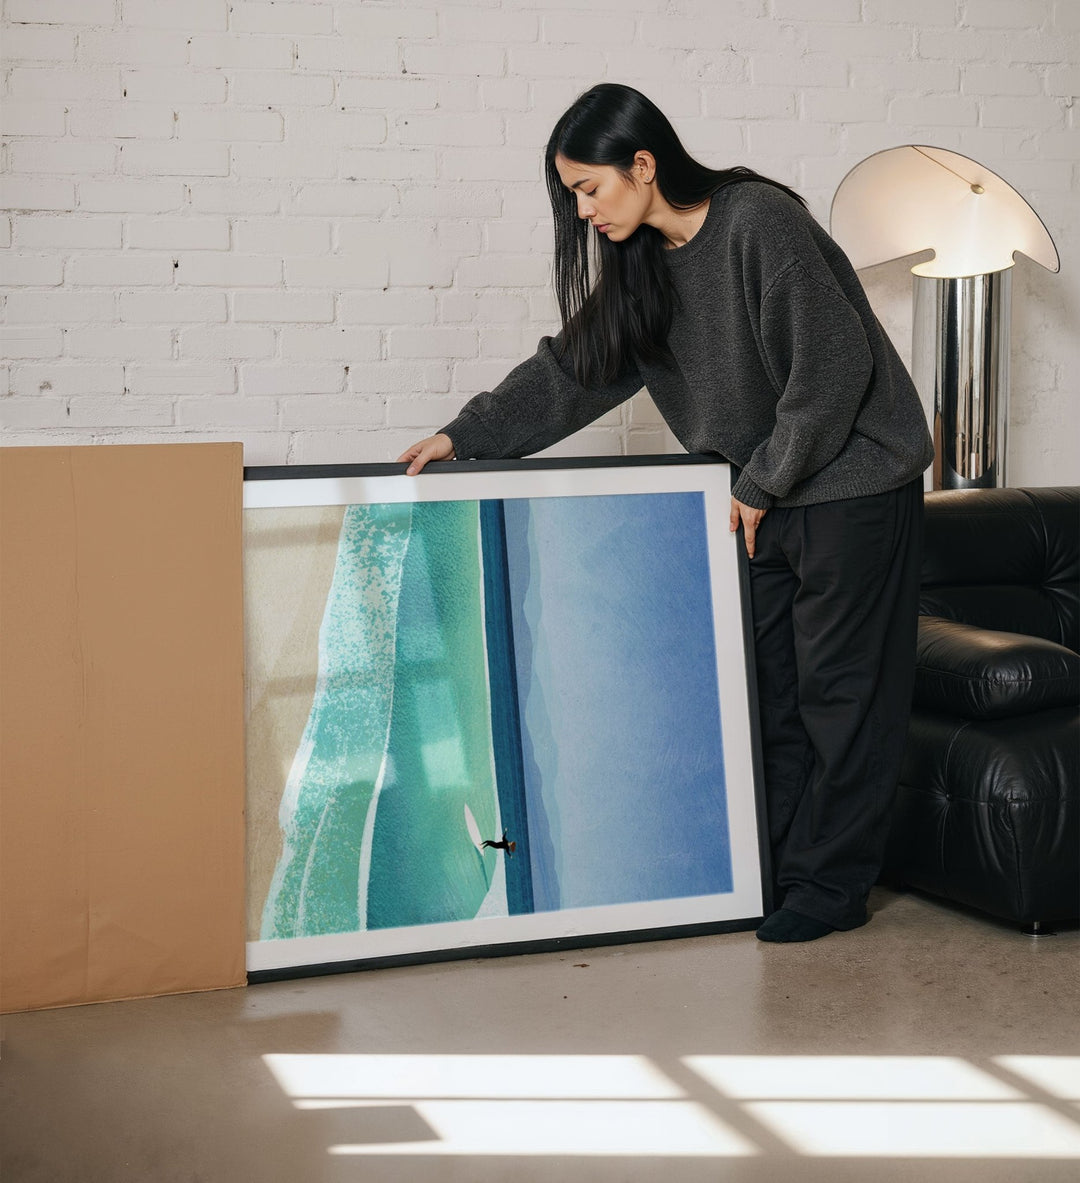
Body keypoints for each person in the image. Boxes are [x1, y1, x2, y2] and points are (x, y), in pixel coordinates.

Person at [398, 83, 934, 943]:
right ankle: (776, 872)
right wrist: (467, 435)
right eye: (573, 195)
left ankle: (831, 888)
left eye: (590, 188)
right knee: (770, 694)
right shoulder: (642, 264)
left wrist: (761, 481)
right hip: (764, 494)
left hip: (852, 479)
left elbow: (833, 368)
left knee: (843, 696)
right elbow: (573, 371)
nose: (583, 212)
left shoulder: (757, 222)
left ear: (643, 165)